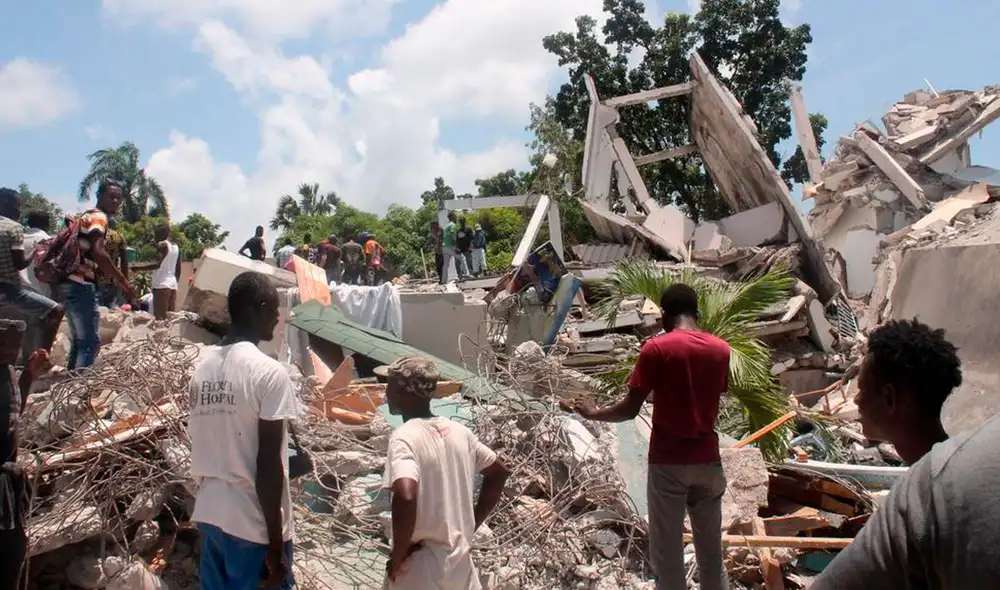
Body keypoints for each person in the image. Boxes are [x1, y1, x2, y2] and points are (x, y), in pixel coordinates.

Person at [561, 283, 730, 590]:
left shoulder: (657, 349)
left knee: (668, 559)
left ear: (665, 314)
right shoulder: (720, 349)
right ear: (697, 313)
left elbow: (629, 409)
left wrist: (593, 412)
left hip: (669, 464)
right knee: (711, 556)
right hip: (709, 462)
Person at [810, 320, 1000, 589]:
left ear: (889, 398)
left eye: (863, 389)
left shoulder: (921, 499)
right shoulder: (966, 466)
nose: (855, 400)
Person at [188, 271, 299, 590]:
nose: (278, 317)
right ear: (259, 307)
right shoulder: (269, 373)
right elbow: (267, 466)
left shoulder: (201, 370)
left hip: (211, 515)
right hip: (252, 527)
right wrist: (275, 546)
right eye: (275, 309)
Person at [382, 356, 509, 588]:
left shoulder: (404, 437)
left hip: (421, 569)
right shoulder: (460, 432)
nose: (385, 392)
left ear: (402, 392)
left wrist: (398, 555)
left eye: (388, 385)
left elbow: (407, 494)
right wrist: (470, 525)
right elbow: (498, 472)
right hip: (460, 566)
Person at [59, 179, 136, 370]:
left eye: (119, 198)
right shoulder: (99, 218)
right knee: (91, 344)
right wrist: (124, 282)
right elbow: (100, 253)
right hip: (81, 284)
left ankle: (70, 390)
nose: (116, 201)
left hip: (70, 282)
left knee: (80, 341)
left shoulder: (86, 216)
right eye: (111, 196)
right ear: (99, 196)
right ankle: (80, 392)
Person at [0, 326, 46, 590]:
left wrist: (28, 376)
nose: (10, 352)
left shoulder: (8, 375)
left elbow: (14, 416)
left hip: (7, 492)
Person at [0, 189, 64, 364]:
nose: (19, 211)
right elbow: (21, 264)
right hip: (16, 293)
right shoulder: (15, 229)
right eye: (17, 206)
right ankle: (41, 359)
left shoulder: (22, 234)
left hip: (14, 298)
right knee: (55, 312)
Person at [96, 218, 128, 308]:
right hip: (114, 278)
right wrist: (125, 281)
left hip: (98, 278)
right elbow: (124, 262)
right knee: (112, 310)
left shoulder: (98, 237)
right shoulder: (119, 237)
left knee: (97, 310)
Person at [151, 224, 181, 321]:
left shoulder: (162, 244)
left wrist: (136, 267)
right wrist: (175, 283)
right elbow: (178, 269)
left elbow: (157, 264)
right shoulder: (176, 247)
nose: (155, 237)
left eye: (156, 234)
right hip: (172, 285)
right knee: (169, 321)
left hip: (161, 285)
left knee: (160, 320)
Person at [20, 210, 51, 297]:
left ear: (29, 222)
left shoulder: (17, 240)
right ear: (47, 224)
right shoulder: (49, 241)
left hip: (17, 296)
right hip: (43, 297)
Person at [440, 212, 458, 285]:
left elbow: (443, 236)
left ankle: (444, 281)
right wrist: (456, 244)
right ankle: (466, 275)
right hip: (451, 246)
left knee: (445, 265)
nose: (456, 218)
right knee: (462, 258)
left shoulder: (446, 226)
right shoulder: (453, 225)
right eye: (455, 216)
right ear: (452, 217)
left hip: (444, 247)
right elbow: (453, 234)